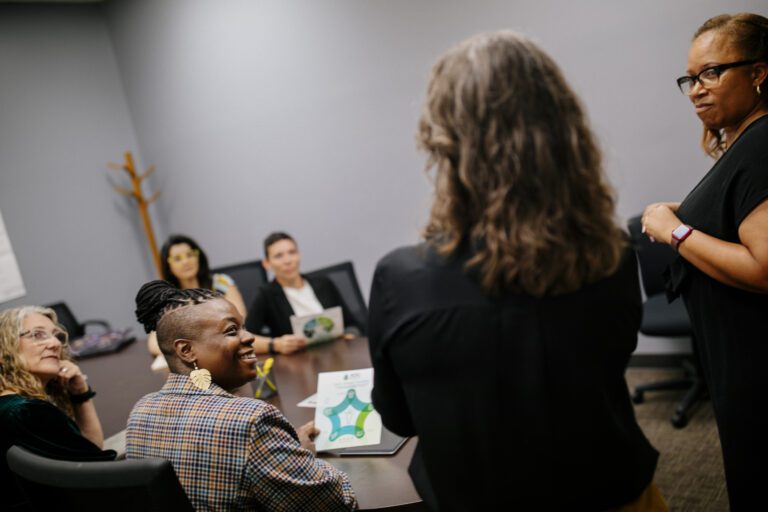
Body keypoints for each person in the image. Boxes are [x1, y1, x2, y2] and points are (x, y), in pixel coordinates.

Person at [368, 31, 664, 511]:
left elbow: (399, 420)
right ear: (566, 130)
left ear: (442, 144)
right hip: (615, 493)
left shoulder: (402, 279)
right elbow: (611, 364)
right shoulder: (610, 254)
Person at [642, 13, 768, 511]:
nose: (696, 90)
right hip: (737, 354)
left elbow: (763, 268)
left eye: (711, 73)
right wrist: (687, 211)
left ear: (758, 73)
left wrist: (675, 231)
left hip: (754, 363)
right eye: (690, 78)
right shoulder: (746, 140)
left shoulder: (762, 144)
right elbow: (741, 215)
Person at [127, 280, 358, 511]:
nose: (249, 337)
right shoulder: (251, 421)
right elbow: (337, 503)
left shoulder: (141, 412)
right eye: (231, 330)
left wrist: (280, 452)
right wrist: (302, 459)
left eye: (244, 327)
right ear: (186, 351)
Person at [0, 306, 115, 510]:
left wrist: (79, 392)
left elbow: (85, 454)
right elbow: (101, 468)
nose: (55, 344)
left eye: (56, 336)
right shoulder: (28, 412)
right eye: (37, 335)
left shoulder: (10, 405)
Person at [148, 234, 303, 358]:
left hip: (230, 355)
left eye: (190, 254)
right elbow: (154, 344)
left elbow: (239, 323)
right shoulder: (166, 299)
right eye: (177, 259)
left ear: (198, 257)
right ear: (168, 266)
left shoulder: (221, 283)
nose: (186, 261)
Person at [245, 232, 360, 346]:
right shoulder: (266, 295)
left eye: (292, 252)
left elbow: (352, 325)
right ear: (267, 264)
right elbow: (246, 337)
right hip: (299, 356)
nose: (288, 261)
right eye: (279, 256)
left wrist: (351, 336)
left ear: (299, 254)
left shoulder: (324, 283)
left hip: (337, 351)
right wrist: (276, 345)